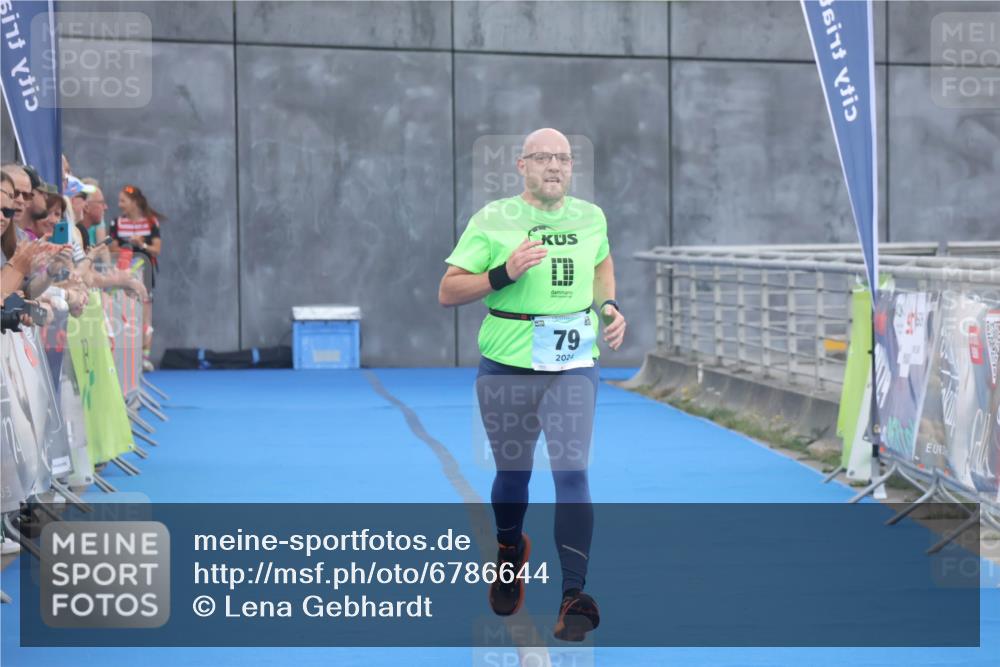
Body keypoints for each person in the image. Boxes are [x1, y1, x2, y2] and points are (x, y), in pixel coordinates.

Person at [438, 128, 626, 642]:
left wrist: (606, 305)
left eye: (563, 158)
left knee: (571, 473)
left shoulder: (591, 216)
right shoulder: (493, 219)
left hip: (572, 364)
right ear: (521, 165)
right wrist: (503, 272)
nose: (555, 166)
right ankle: (508, 550)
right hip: (507, 362)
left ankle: (573, 595)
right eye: (543, 157)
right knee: (513, 475)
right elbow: (449, 290)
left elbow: (601, 262)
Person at [109, 184, 163, 370]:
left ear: (134, 202)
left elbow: (156, 250)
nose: (120, 204)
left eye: (123, 200)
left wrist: (143, 245)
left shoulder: (150, 222)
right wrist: (127, 247)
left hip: (145, 273)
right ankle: (125, 355)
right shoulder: (117, 222)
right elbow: (111, 248)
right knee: (124, 312)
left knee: (145, 314)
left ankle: (144, 357)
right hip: (123, 273)